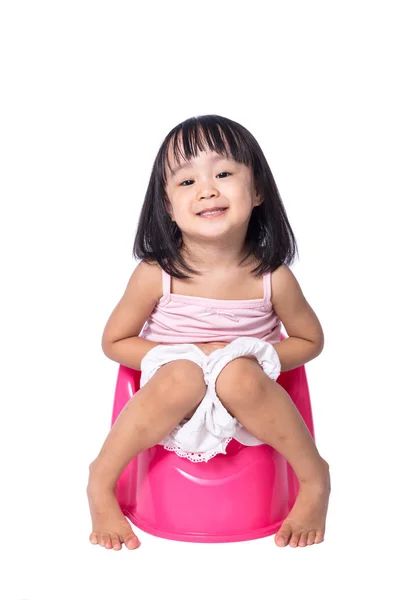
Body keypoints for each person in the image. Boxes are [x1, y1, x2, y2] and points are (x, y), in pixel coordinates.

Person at [87, 114, 331, 552]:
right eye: (186, 182)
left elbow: (310, 340)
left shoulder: (272, 278)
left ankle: (315, 479)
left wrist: (255, 356)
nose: (207, 189)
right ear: (167, 205)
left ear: (257, 191)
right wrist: (184, 354)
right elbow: (115, 341)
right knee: (183, 373)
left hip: (249, 394)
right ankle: (101, 481)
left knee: (235, 373)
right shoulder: (155, 275)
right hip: (174, 390)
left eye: (223, 173)